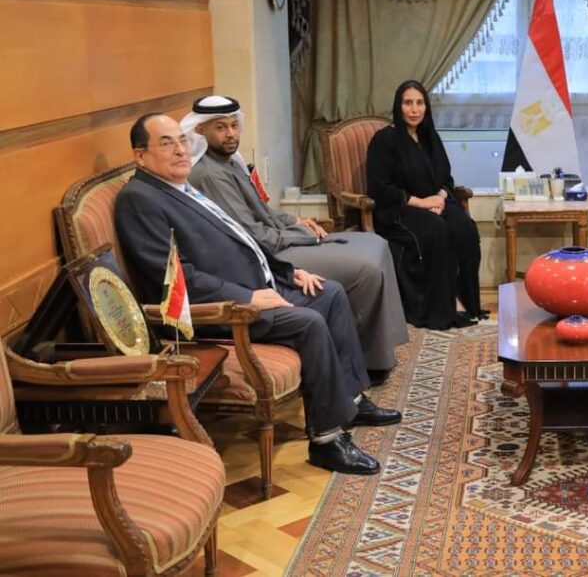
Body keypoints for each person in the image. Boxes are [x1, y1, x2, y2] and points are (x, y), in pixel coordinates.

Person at [115, 113, 401, 476]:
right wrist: (247, 297)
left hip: (254, 286)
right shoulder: (139, 199)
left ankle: (351, 400)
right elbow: (175, 280)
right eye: (166, 143)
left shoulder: (180, 187)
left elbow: (241, 239)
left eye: (181, 141)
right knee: (309, 323)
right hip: (218, 309)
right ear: (140, 156)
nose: (180, 150)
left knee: (329, 293)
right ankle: (327, 441)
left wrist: (288, 272)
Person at [182, 95, 408, 380]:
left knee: (376, 244)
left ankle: (382, 349)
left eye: (233, 126)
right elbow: (252, 235)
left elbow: (263, 211)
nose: (230, 134)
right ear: (200, 130)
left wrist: (296, 221)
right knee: (365, 270)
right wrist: (303, 235)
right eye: (220, 127)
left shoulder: (229, 162)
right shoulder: (209, 174)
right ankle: (368, 360)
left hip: (279, 241)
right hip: (270, 256)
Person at [366, 80, 484, 330]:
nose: (414, 109)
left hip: (435, 203)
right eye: (408, 103)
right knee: (436, 230)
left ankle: (466, 300)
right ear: (398, 106)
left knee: (464, 227)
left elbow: (446, 178)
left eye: (420, 103)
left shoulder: (429, 136)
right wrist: (422, 203)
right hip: (400, 209)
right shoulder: (385, 140)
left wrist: (440, 198)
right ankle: (444, 306)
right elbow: (380, 187)